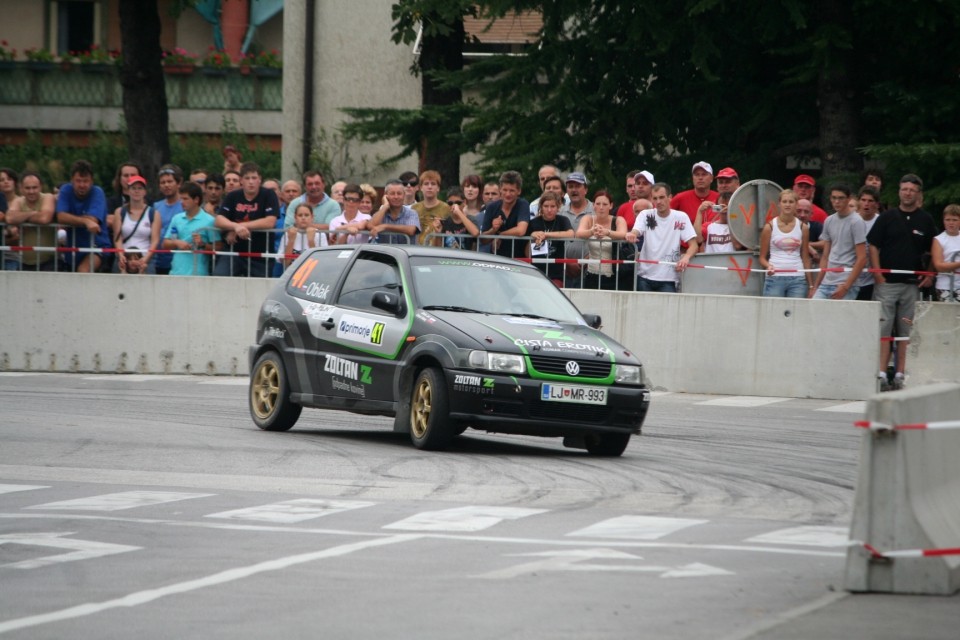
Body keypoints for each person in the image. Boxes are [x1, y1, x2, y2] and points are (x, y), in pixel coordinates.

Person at [867, 174, 937, 391]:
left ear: (918, 194)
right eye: (904, 189)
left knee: (906, 330)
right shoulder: (886, 217)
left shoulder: (926, 220)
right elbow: (873, 246)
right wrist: (878, 274)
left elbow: (934, 249)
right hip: (887, 284)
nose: (907, 193)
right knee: (884, 328)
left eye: (912, 190)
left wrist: (930, 273)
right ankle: (880, 373)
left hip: (911, 285)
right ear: (899, 191)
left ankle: (900, 373)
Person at [627, 183, 698, 292]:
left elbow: (693, 245)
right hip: (644, 276)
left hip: (669, 278)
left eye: (661, 197)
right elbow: (636, 230)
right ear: (652, 199)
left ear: (670, 198)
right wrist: (632, 234)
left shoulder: (681, 217)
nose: (658, 202)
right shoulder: (645, 214)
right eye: (655, 198)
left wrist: (686, 257)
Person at [214, 161, 280, 277]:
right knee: (219, 276)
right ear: (241, 180)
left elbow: (270, 221)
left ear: (260, 179)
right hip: (234, 252)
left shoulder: (269, 195)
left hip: (260, 255)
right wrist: (235, 226)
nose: (251, 182)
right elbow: (219, 219)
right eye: (247, 178)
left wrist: (242, 227)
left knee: (260, 288)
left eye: (254, 178)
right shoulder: (232, 196)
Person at [810, 184, 867, 300]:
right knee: (814, 314)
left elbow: (862, 258)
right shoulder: (829, 220)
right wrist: (816, 286)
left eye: (840, 198)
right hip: (827, 281)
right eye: (833, 198)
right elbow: (825, 256)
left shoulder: (856, 222)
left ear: (849, 198)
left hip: (846, 282)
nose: (836, 201)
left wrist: (846, 286)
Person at [56, 159, 111, 273]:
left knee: (83, 270)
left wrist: (71, 218)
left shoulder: (97, 192)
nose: (82, 185)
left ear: (92, 181)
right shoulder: (66, 189)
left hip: (97, 245)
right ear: (72, 180)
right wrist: (85, 222)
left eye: (86, 181)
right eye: (78, 181)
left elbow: (93, 219)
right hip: (72, 247)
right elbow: (61, 216)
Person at [758, 189, 812, 298]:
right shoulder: (769, 227)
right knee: (773, 311)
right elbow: (762, 258)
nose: (787, 205)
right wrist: (768, 266)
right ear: (779, 204)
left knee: (796, 312)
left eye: (791, 202)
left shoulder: (803, 228)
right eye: (784, 201)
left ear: (796, 205)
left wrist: (811, 285)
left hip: (798, 277)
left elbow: (805, 257)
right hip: (775, 277)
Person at [5, 171, 61, 272]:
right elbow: (9, 218)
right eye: (27, 188)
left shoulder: (48, 197)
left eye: (34, 187)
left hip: (49, 261)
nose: (31, 191)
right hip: (24, 262)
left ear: (41, 187)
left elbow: (45, 218)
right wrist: (33, 213)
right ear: (21, 188)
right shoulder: (18, 201)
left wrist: (22, 217)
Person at [164, 181, 221, 276]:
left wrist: (202, 244)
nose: (182, 202)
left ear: (196, 200)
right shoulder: (176, 218)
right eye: (181, 199)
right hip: (175, 273)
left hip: (198, 274)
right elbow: (165, 243)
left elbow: (219, 247)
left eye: (185, 199)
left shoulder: (209, 220)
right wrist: (176, 242)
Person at [576, 190, 629, 290]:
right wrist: (592, 231)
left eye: (605, 204)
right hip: (592, 273)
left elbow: (623, 234)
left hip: (615, 274)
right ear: (593, 205)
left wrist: (607, 232)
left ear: (611, 205)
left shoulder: (618, 220)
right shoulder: (588, 218)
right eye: (598, 204)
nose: (601, 207)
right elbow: (579, 233)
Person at [112, 175, 161, 275]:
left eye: (140, 188)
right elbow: (117, 238)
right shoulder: (119, 212)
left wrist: (145, 259)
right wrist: (121, 255)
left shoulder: (153, 213)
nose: (136, 191)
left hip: (145, 258)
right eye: (133, 188)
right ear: (128, 191)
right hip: (124, 258)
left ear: (145, 191)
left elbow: (155, 240)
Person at [480, 170, 530, 259]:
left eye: (512, 191)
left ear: (519, 191)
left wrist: (500, 235)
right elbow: (483, 239)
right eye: (505, 190)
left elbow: (521, 230)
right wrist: (493, 230)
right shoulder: (492, 207)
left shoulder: (523, 204)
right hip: (497, 259)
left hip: (519, 259)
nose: (507, 194)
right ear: (500, 190)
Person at [526, 191, 573, 285]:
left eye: (552, 206)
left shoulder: (563, 220)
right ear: (541, 207)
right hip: (536, 270)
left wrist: (546, 235)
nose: (549, 210)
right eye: (546, 206)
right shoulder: (533, 223)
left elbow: (571, 234)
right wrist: (532, 235)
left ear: (558, 207)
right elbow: (526, 251)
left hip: (556, 272)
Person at [670, 161, 718, 242]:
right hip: (687, 247)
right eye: (697, 175)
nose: (700, 178)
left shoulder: (719, 198)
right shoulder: (680, 198)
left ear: (711, 178)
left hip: (714, 246)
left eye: (704, 174)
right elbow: (664, 215)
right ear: (693, 178)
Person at [152, 164, 185, 275]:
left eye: (170, 181)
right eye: (163, 182)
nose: (166, 185)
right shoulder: (156, 206)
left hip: (179, 261)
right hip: (158, 261)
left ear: (179, 183)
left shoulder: (185, 205)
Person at [368, 180, 420, 244]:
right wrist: (385, 206)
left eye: (399, 193)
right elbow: (371, 226)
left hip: (406, 253)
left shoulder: (412, 213)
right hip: (386, 253)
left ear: (404, 195)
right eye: (392, 193)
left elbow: (411, 230)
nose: (396, 197)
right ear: (386, 196)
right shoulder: (381, 213)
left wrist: (385, 226)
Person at [854, 186, 882, 301]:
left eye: (870, 201)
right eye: (863, 200)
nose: (866, 204)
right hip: (853, 275)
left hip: (873, 278)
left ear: (876, 204)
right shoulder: (851, 220)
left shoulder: (881, 221)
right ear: (858, 202)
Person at [279, 202, 327, 267]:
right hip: (292, 273)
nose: (303, 218)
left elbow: (320, 263)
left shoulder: (320, 234)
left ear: (312, 217)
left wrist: (311, 241)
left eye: (306, 215)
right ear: (295, 218)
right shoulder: (288, 234)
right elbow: (285, 263)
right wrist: (291, 241)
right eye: (300, 215)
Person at [412, 170, 450, 245]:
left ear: (438, 188)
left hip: (438, 250)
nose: (429, 187)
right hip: (417, 250)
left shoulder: (446, 208)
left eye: (433, 184)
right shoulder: (414, 208)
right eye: (426, 184)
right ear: (421, 188)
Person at [932, 204, 960, 303]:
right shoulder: (938, 240)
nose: (951, 223)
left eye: (954, 220)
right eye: (947, 220)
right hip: (945, 286)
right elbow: (939, 265)